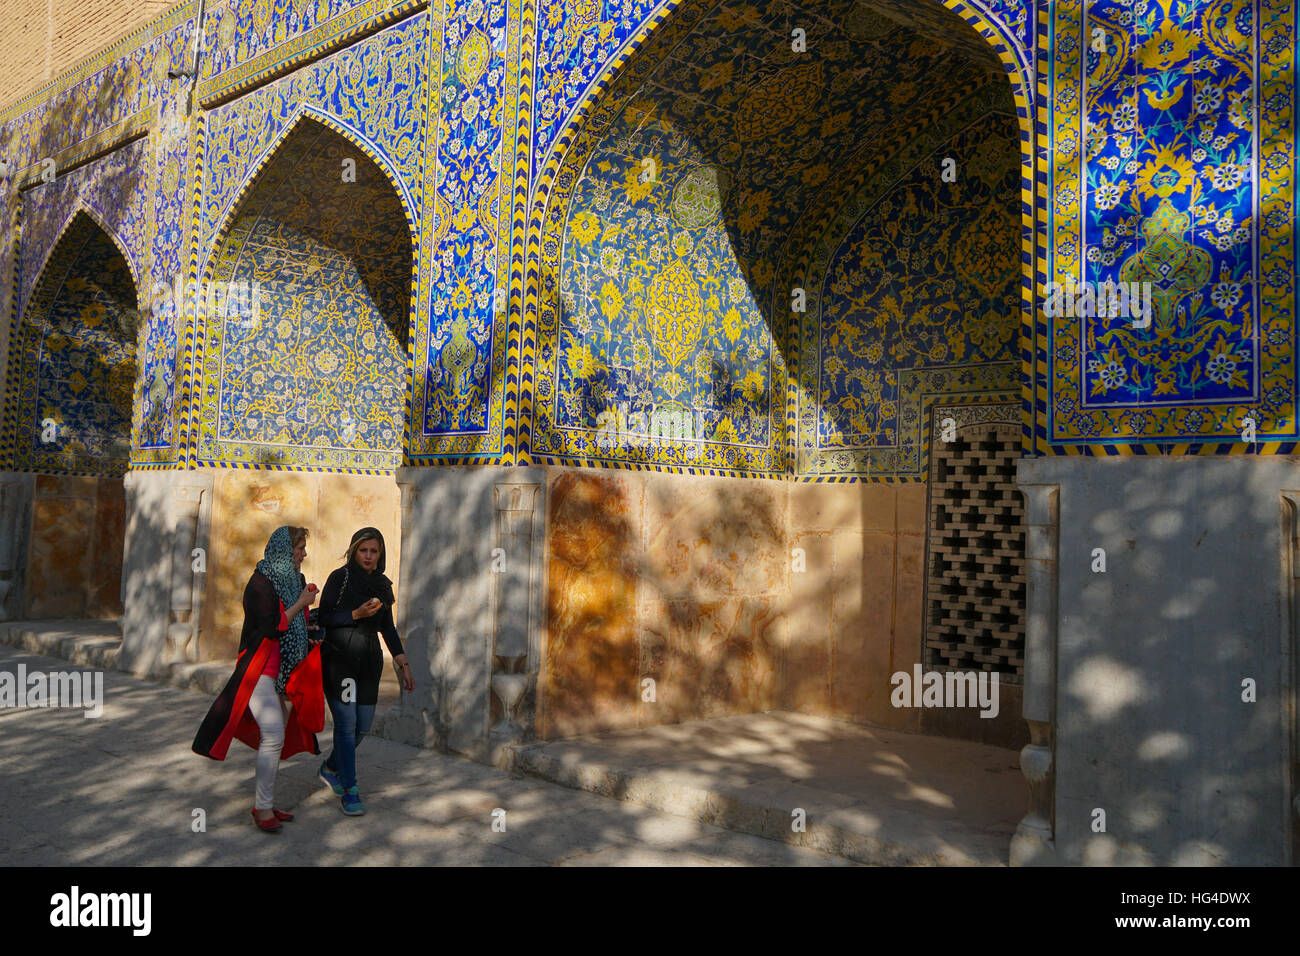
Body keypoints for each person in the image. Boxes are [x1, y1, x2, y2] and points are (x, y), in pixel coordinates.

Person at [193, 526, 324, 833]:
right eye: (300, 548)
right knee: (274, 733)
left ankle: (264, 803)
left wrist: (310, 624)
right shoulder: (259, 584)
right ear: (284, 550)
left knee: (275, 739)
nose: (304, 554)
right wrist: (301, 604)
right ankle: (262, 808)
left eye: (304, 548)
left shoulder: (296, 581)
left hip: (284, 673)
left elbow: (298, 624)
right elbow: (273, 626)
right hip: (260, 669)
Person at [316, 527, 413, 816]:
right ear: (354, 551)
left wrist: (403, 663)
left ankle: (331, 766)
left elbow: (388, 628)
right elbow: (324, 618)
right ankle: (350, 790)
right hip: (340, 660)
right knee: (346, 726)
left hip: (369, 662)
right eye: (363, 550)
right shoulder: (340, 578)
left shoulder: (383, 585)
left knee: (362, 726)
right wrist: (355, 615)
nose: (368, 556)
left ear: (380, 553)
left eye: (374, 551)